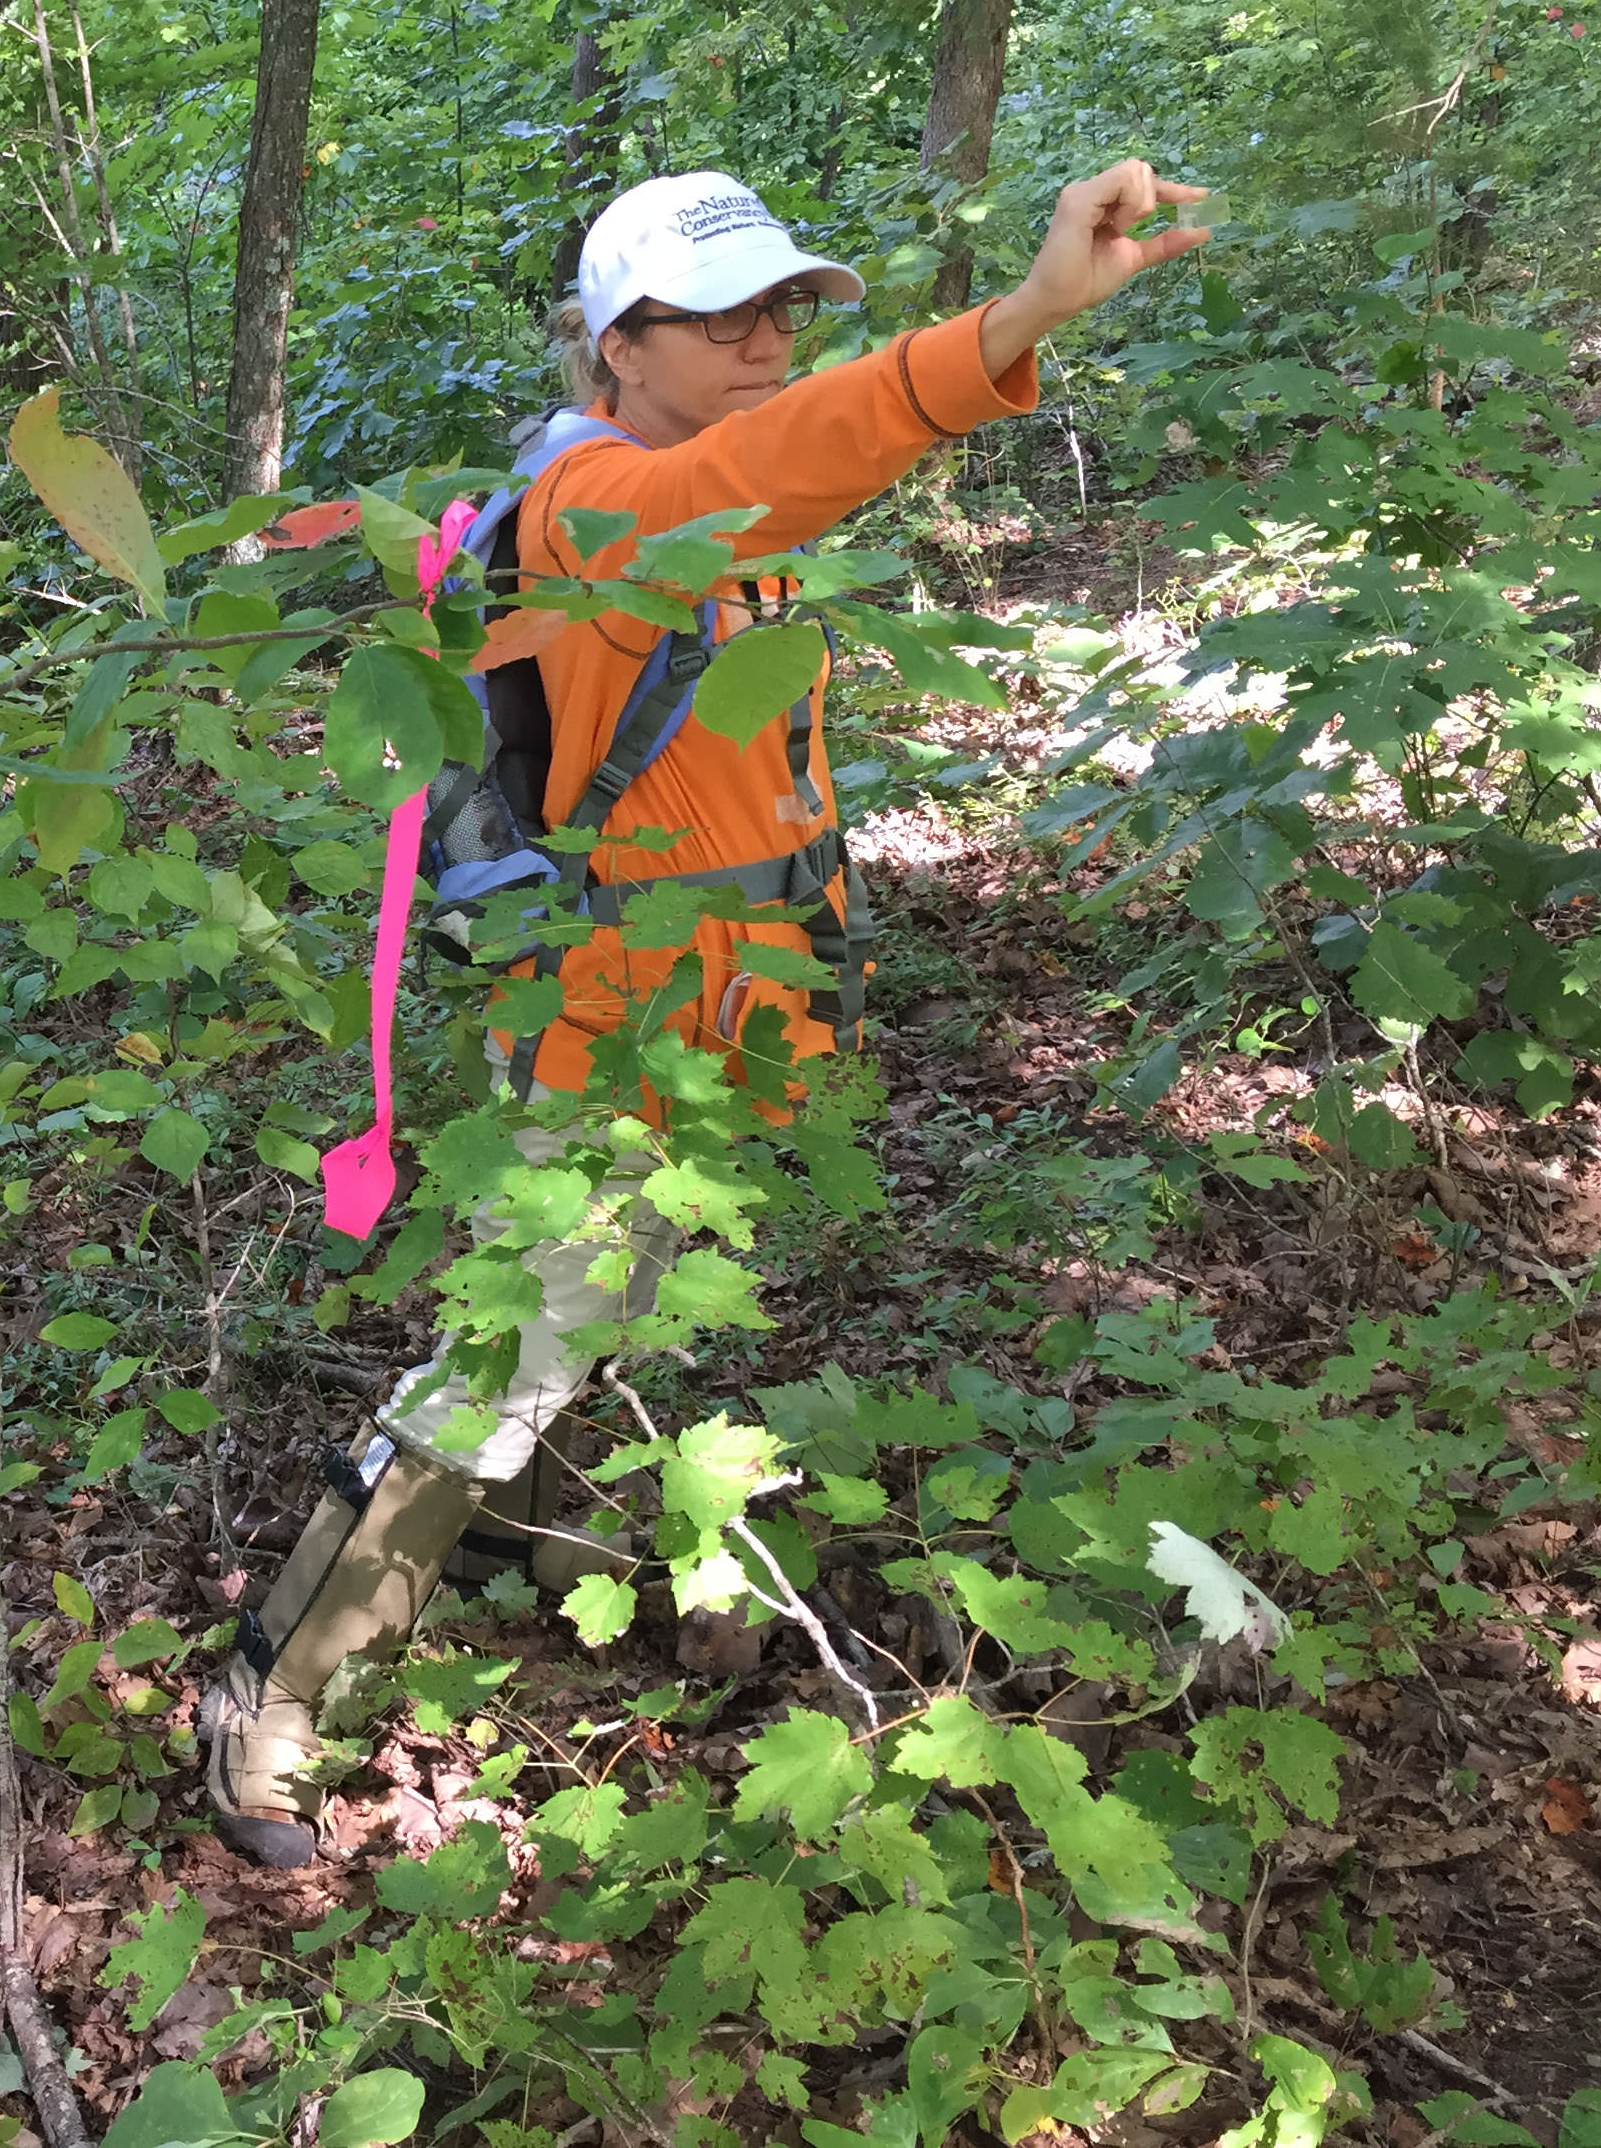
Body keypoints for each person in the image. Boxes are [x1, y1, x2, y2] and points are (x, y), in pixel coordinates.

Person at [199, 160, 1208, 1867]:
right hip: (613, 1013)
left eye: (784, 309)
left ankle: (539, 1541)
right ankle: (273, 1692)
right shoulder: (606, 507)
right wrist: (1025, 318)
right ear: (618, 342)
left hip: (717, 1004)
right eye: (722, 314)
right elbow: (795, 455)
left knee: (601, 1310)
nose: (766, 341)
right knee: (516, 1342)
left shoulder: (696, 505)